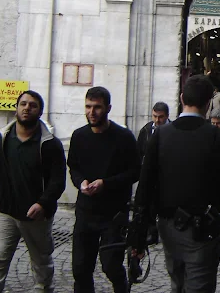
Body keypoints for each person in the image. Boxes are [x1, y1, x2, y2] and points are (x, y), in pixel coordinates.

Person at [131, 74, 220, 292]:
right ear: (208, 104)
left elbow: (145, 187)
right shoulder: (216, 138)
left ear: (181, 98)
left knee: (177, 281)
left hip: (168, 225)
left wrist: (138, 237)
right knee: (199, 284)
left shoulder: (160, 135)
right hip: (202, 229)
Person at [0, 90, 66, 293]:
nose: (26, 108)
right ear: (16, 108)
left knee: (41, 265)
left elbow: (57, 182)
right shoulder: (2, 138)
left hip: (37, 216)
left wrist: (43, 203)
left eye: (32, 105)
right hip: (6, 211)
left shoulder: (50, 144)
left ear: (40, 112)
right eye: (23, 104)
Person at [67, 86, 141, 293]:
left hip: (113, 214)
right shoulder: (79, 136)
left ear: (108, 108)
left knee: (111, 266)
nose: (92, 112)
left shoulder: (124, 137)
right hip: (85, 211)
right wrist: (81, 182)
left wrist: (105, 183)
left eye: (97, 107)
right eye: (88, 107)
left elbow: (135, 172)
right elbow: (74, 167)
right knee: (81, 269)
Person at [136, 101, 170, 245]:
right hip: (150, 174)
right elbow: (139, 151)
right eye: (155, 116)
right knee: (148, 205)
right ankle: (151, 231)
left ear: (166, 116)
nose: (157, 120)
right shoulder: (146, 130)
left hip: (165, 175)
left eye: (160, 117)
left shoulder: (172, 131)